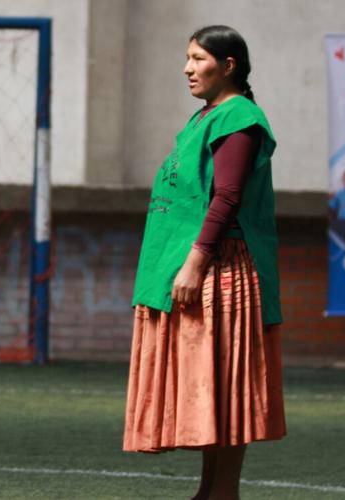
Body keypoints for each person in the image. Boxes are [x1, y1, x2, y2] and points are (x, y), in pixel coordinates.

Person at [124, 25, 285, 500]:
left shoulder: (239, 117)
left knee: (224, 384)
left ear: (228, 65)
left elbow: (227, 196)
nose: (187, 67)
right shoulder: (204, 118)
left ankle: (224, 493)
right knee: (209, 382)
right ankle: (208, 491)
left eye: (198, 58)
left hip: (221, 267)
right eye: (187, 58)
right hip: (194, 263)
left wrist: (195, 262)